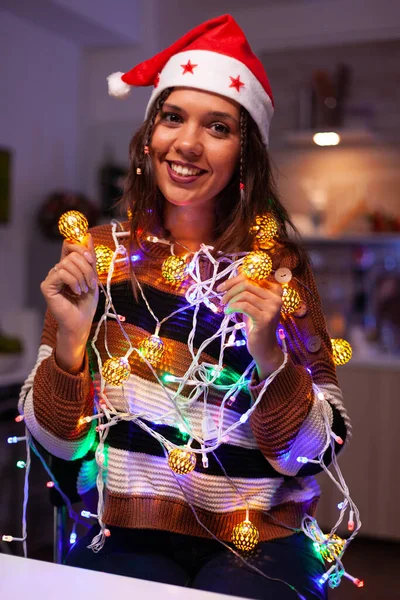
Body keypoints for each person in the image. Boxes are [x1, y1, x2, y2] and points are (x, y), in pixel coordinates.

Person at [19, 14, 351, 600]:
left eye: (217, 126)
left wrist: (270, 354)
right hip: (125, 532)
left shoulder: (278, 272)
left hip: (262, 541)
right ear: (149, 137)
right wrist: (70, 349)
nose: (188, 143)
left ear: (244, 152)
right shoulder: (99, 254)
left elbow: (317, 451)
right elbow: (59, 444)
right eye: (173, 117)